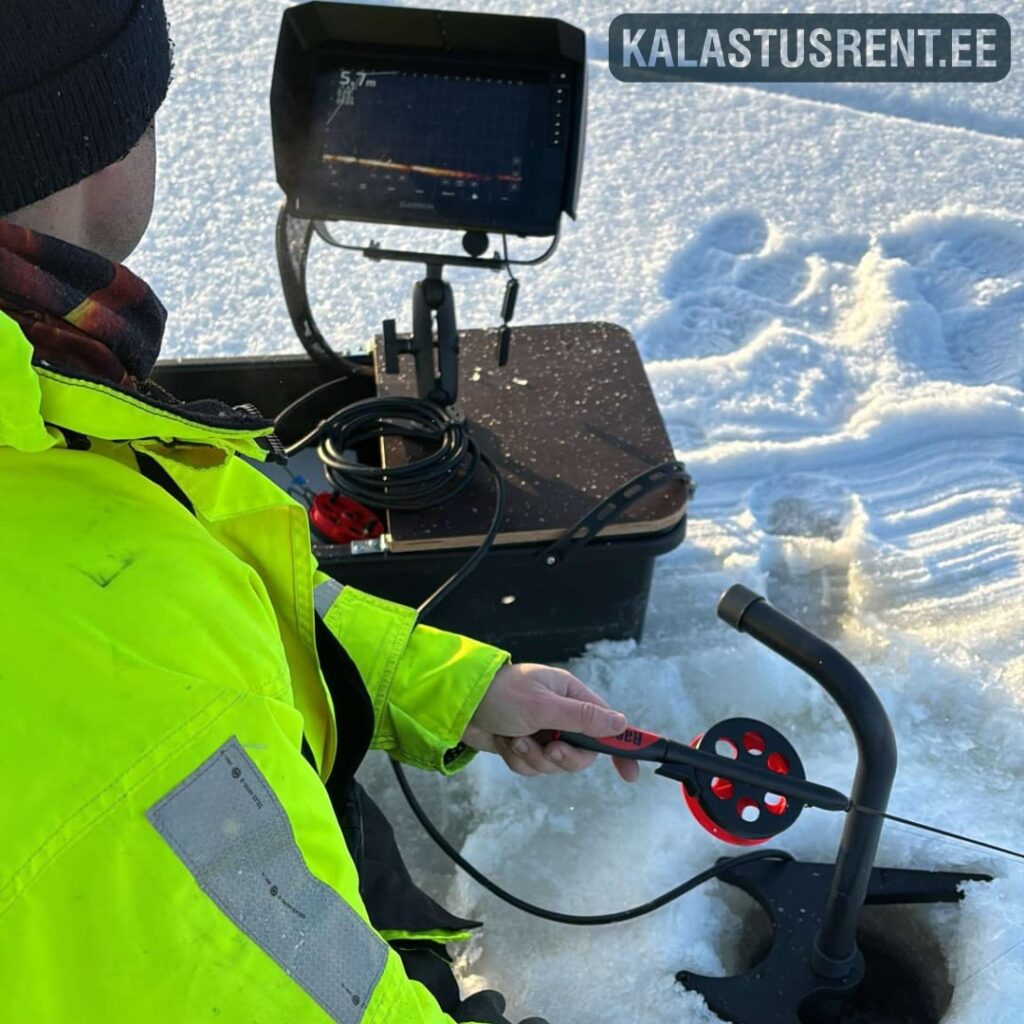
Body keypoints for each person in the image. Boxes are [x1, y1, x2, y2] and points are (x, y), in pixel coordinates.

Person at [0, 3, 639, 1023]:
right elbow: (150, 641)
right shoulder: (141, 713)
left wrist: (456, 685)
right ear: (101, 140)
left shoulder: (46, 416)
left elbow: (201, 591)